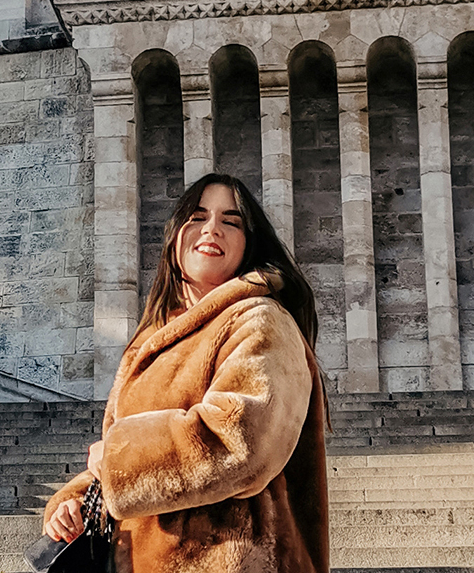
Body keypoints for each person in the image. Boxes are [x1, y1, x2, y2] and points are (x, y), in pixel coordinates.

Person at [43, 173, 328, 572]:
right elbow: (123, 465)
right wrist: (74, 502)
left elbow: (241, 441)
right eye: (197, 217)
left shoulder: (261, 319)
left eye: (231, 221)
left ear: (249, 243)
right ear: (175, 234)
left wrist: (120, 461)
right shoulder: (153, 338)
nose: (212, 228)